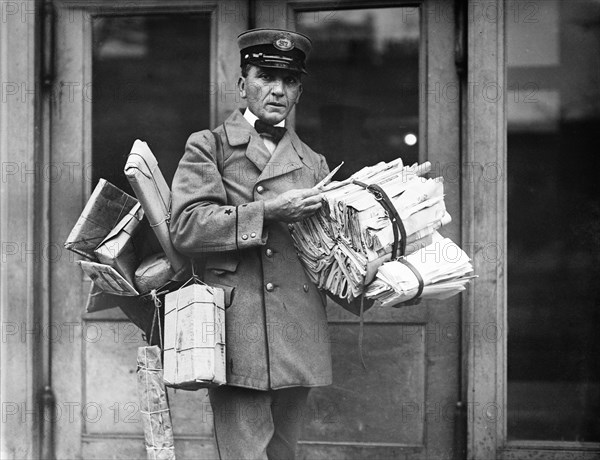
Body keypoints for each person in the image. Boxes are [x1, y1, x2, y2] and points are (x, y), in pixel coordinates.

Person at [170, 28, 367, 460]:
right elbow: (185, 228)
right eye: (265, 77)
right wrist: (269, 212)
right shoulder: (209, 147)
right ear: (243, 84)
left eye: (290, 81)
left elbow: (328, 253)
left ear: (298, 91)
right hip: (237, 333)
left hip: (297, 331)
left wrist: (375, 281)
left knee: (284, 454)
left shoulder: (312, 162)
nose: (278, 90)